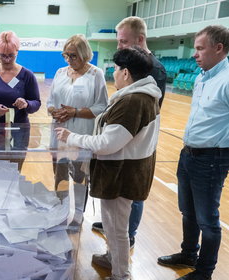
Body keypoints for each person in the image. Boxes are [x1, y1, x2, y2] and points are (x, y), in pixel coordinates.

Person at [56, 46, 161, 280]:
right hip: (121, 169)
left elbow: (107, 143)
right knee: (113, 226)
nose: (113, 74)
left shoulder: (134, 101)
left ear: (125, 73)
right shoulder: (138, 95)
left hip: (122, 173)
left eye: (115, 69)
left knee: (117, 229)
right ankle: (112, 258)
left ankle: (121, 274)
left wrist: (71, 137)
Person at [157, 25, 229, 280]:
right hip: (188, 153)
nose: (194, 54)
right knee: (188, 211)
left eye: (200, 48)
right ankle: (189, 254)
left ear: (218, 48)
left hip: (212, 158)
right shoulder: (201, 76)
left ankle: (204, 271)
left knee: (207, 219)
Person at [91, 16, 167, 249]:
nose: (119, 46)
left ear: (140, 39)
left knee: (129, 197)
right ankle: (117, 228)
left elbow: (145, 113)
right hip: (122, 145)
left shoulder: (153, 70)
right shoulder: (137, 66)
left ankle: (128, 233)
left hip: (132, 150)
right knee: (118, 207)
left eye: (123, 42)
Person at [47, 34, 108, 189]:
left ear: (84, 54)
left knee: (79, 180)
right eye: (66, 55)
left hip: (82, 134)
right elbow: (50, 102)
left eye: (73, 56)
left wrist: (75, 112)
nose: (68, 59)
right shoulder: (60, 72)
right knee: (60, 179)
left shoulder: (95, 74)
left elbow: (102, 106)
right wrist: (54, 111)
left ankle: (78, 212)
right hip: (59, 133)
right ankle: (60, 209)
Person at [0, 31, 41, 170]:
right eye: (3, 55)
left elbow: (36, 103)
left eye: (11, 55)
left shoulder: (27, 75)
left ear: (17, 51)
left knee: (14, 172)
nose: (6, 59)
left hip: (19, 131)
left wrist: (26, 104)